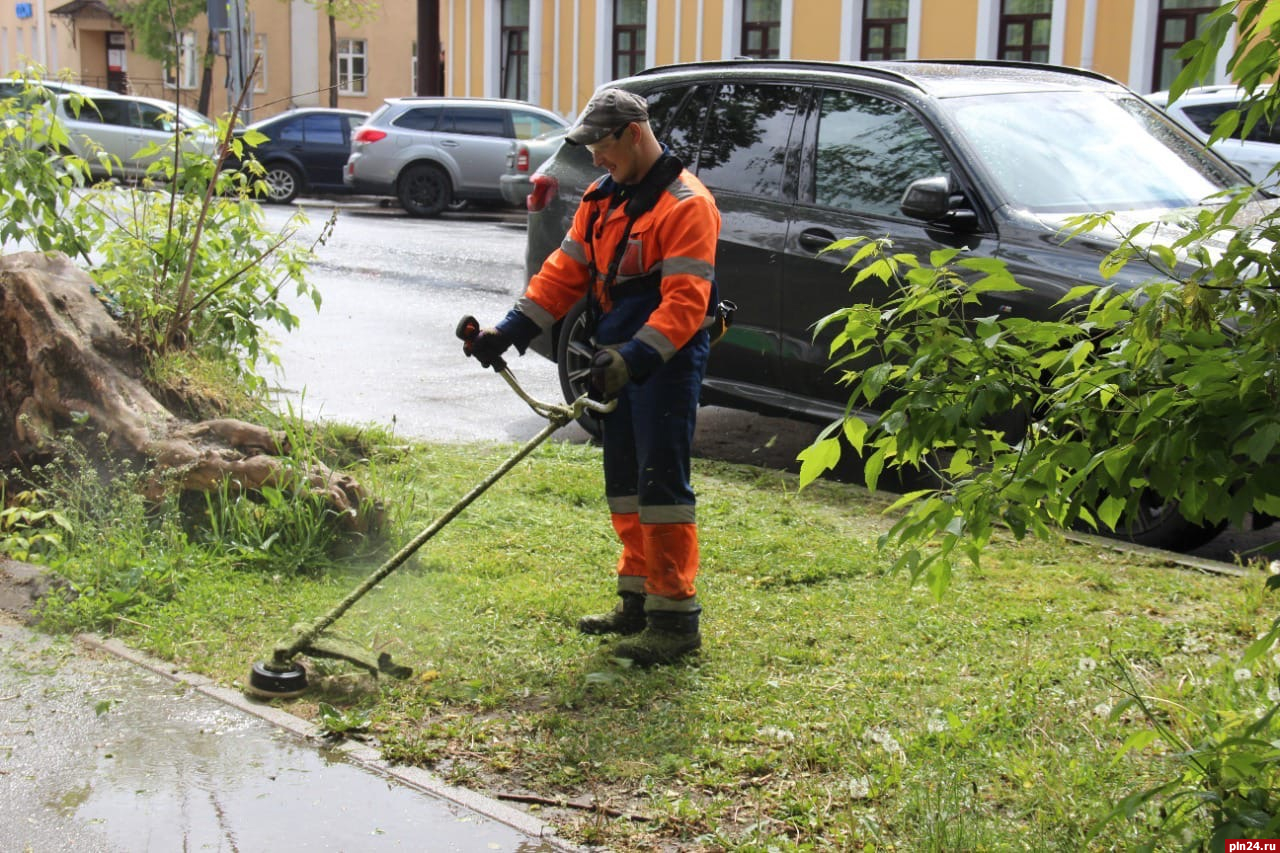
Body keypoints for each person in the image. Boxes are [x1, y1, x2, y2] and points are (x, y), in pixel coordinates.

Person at [463, 87, 721, 665]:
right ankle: (636, 600)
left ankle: (675, 620)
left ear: (632, 135)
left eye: (601, 148)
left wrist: (632, 359)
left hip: (664, 366)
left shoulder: (687, 205)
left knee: (661, 489)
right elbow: (564, 272)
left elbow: (684, 305)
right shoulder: (602, 200)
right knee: (625, 484)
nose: (595, 160)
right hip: (614, 362)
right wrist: (509, 331)